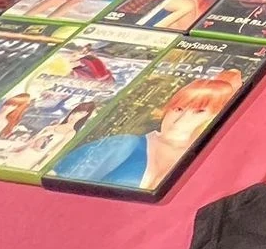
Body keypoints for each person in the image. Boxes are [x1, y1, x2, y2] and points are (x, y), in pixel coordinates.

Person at [55, 70, 246, 190]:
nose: (181, 120)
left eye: (199, 111)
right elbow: (59, 188)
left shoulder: (218, 163)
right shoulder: (123, 144)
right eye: (178, 109)